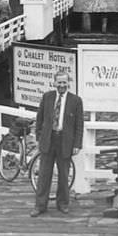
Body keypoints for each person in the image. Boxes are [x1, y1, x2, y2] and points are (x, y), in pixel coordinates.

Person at [31, 71, 83, 217]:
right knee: (44, 175)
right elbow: (39, 119)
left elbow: (79, 125)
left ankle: (63, 204)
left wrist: (77, 144)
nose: (61, 85)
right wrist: (39, 137)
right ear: (54, 83)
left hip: (65, 141)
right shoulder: (47, 97)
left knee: (64, 175)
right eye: (59, 82)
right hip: (48, 140)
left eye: (64, 82)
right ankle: (40, 206)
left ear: (68, 83)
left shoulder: (76, 101)